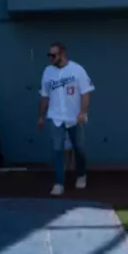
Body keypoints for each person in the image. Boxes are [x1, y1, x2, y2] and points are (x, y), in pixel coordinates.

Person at [38, 42, 94, 196]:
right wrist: (41, 116)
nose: (50, 58)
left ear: (62, 54)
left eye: (53, 55)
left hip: (75, 117)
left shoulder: (77, 69)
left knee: (79, 148)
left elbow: (86, 93)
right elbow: (44, 95)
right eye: (49, 55)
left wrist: (83, 112)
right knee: (56, 149)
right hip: (55, 117)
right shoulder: (47, 72)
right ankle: (58, 183)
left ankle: (81, 175)